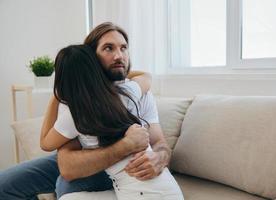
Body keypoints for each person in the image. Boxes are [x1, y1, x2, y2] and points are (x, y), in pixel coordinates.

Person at [0, 22, 173, 200]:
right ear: (91, 57)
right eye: (108, 48)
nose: (119, 56)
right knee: (4, 185)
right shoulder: (76, 101)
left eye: (123, 48)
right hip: (85, 158)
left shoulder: (138, 93)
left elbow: (159, 142)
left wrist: (160, 157)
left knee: (66, 185)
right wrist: (60, 92)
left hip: (118, 169)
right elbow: (67, 164)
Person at [40, 44, 183, 199]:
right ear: (97, 69)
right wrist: (106, 75)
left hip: (142, 196)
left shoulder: (75, 115)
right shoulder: (125, 92)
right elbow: (146, 77)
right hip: (168, 190)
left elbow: (45, 143)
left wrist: (56, 94)